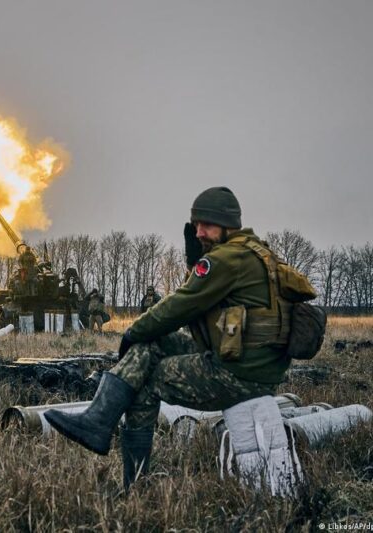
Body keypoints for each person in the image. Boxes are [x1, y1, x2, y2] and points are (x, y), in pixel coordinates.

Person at [45, 186, 311, 490]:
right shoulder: (255, 251)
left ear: (228, 225)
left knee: (145, 381)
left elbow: (181, 305)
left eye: (207, 224)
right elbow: (204, 301)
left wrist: (133, 331)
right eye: (195, 224)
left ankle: (133, 480)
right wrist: (192, 266)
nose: (199, 232)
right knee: (151, 345)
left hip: (237, 375)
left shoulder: (225, 259)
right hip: (253, 365)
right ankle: (98, 420)